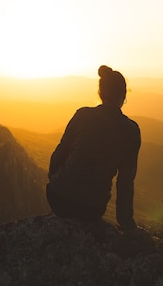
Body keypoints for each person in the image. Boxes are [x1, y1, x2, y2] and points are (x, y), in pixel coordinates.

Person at [47, 65, 141, 230]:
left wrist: (57, 181)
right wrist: (127, 224)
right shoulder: (131, 131)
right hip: (91, 209)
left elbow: (60, 153)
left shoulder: (82, 115)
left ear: (100, 93)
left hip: (58, 199)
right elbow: (125, 182)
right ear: (124, 95)